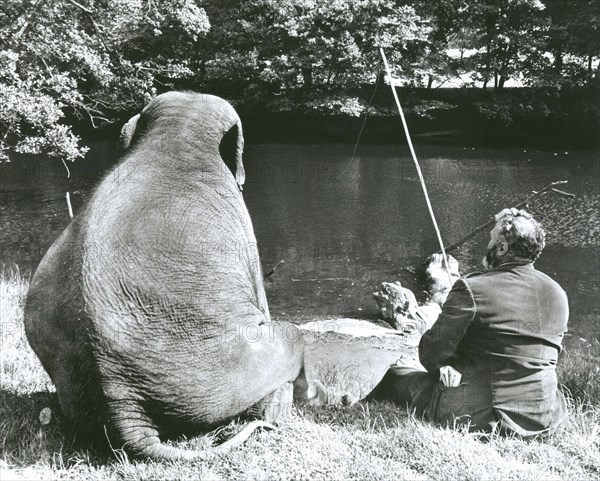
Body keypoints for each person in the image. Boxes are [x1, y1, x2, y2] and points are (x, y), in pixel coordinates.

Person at [363, 207, 569, 437]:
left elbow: (430, 352)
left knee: (397, 376)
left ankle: (356, 408)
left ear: (502, 248)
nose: (488, 244)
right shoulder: (558, 294)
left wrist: (449, 363)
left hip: (488, 418)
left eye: (491, 239)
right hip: (546, 418)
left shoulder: (473, 288)